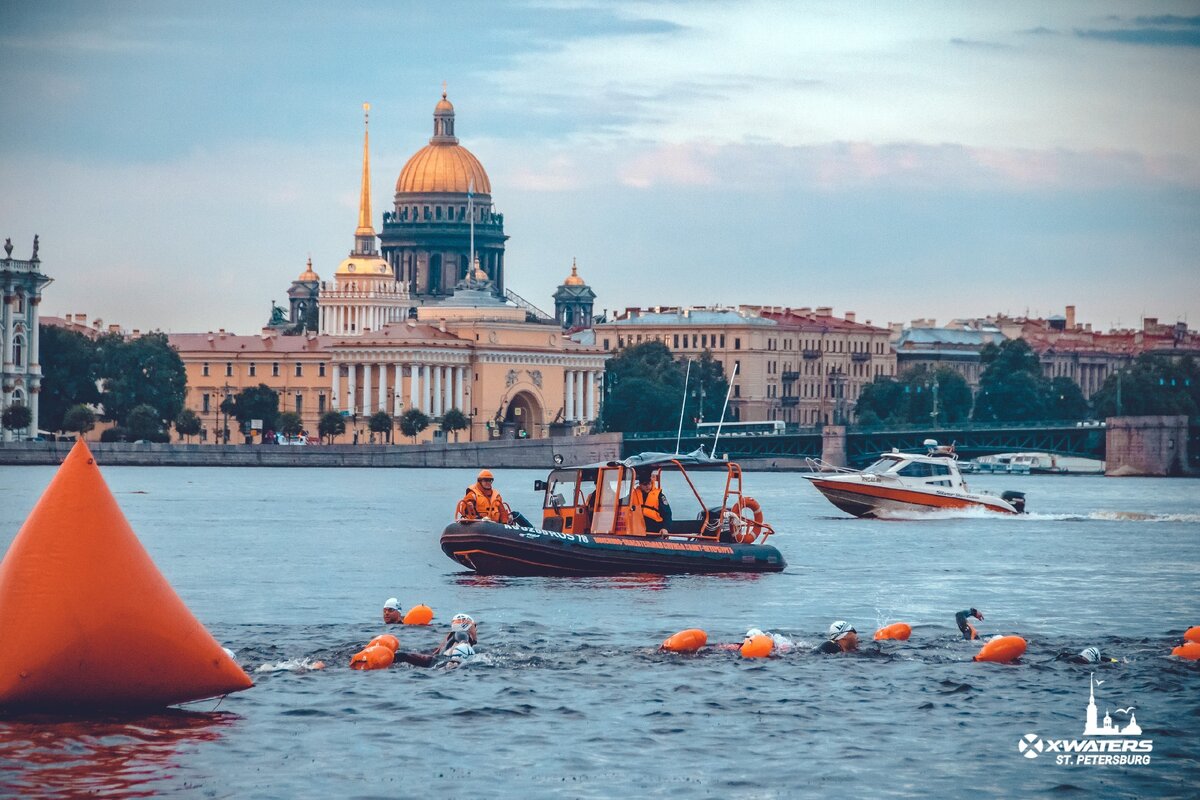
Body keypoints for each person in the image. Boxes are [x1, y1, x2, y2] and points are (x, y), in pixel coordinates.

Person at [394, 613, 479, 668]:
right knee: (402, 656)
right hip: (439, 662)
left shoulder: (451, 639)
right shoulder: (462, 634)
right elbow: (461, 638)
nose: (476, 630)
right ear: (469, 626)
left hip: (436, 659)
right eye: (474, 626)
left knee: (402, 656)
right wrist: (464, 643)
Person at [630, 468, 670, 534]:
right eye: (645, 484)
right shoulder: (632, 495)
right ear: (640, 484)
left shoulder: (659, 496)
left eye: (649, 483)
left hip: (655, 529)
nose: (647, 486)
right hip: (637, 529)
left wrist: (665, 528)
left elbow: (667, 514)